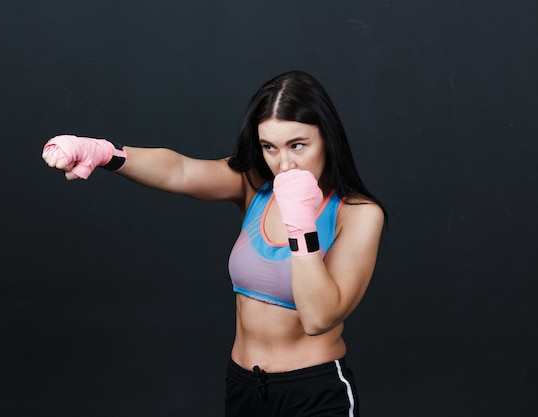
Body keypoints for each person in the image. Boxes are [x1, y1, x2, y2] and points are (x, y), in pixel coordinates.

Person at [42, 70, 385, 417]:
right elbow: (181, 171)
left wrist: (302, 223)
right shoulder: (255, 186)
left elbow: (317, 317)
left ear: (326, 138)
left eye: (298, 145)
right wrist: (104, 153)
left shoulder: (357, 213)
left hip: (314, 395)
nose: (284, 164)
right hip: (245, 388)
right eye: (269, 147)